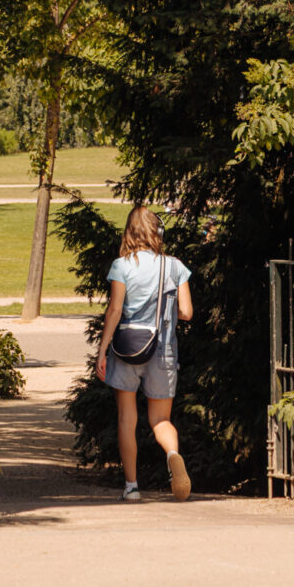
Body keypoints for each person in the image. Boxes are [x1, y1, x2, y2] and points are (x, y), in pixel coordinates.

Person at [96, 205, 193, 502]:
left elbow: (114, 310)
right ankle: (173, 454)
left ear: (129, 233)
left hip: (127, 349)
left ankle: (132, 487)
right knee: (161, 419)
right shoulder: (174, 266)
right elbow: (187, 312)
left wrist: (102, 351)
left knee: (127, 417)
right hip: (162, 350)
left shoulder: (122, 266)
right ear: (158, 233)